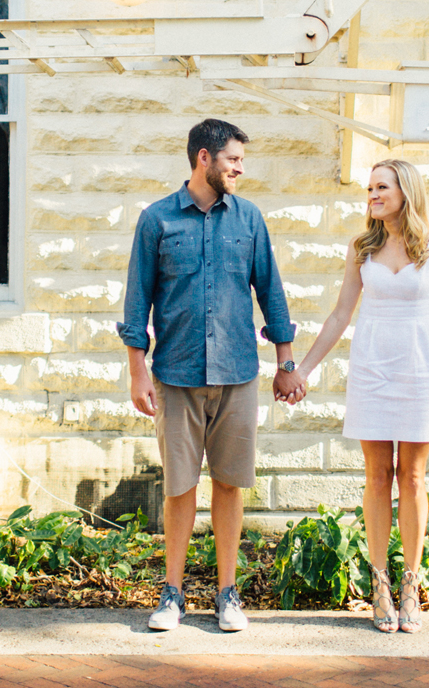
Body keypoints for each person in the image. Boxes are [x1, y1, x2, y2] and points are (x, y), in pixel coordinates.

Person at [118, 118, 301, 633]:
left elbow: (271, 292)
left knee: (229, 484)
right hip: (175, 376)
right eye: (233, 160)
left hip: (237, 374)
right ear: (205, 158)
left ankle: (227, 594)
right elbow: (137, 302)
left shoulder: (249, 219)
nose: (240, 169)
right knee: (179, 488)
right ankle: (172, 594)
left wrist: (286, 364)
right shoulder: (156, 220)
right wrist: (137, 373)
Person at [282, 159, 429, 633]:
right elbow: (341, 314)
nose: (372, 195)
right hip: (372, 371)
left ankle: (411, 585)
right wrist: (302, 370)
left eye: (382, 187)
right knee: (378, 477)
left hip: (420, 372)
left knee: (413, 478)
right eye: (370, 189)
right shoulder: (362, 247)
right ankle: (379, 583)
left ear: (406, 192)